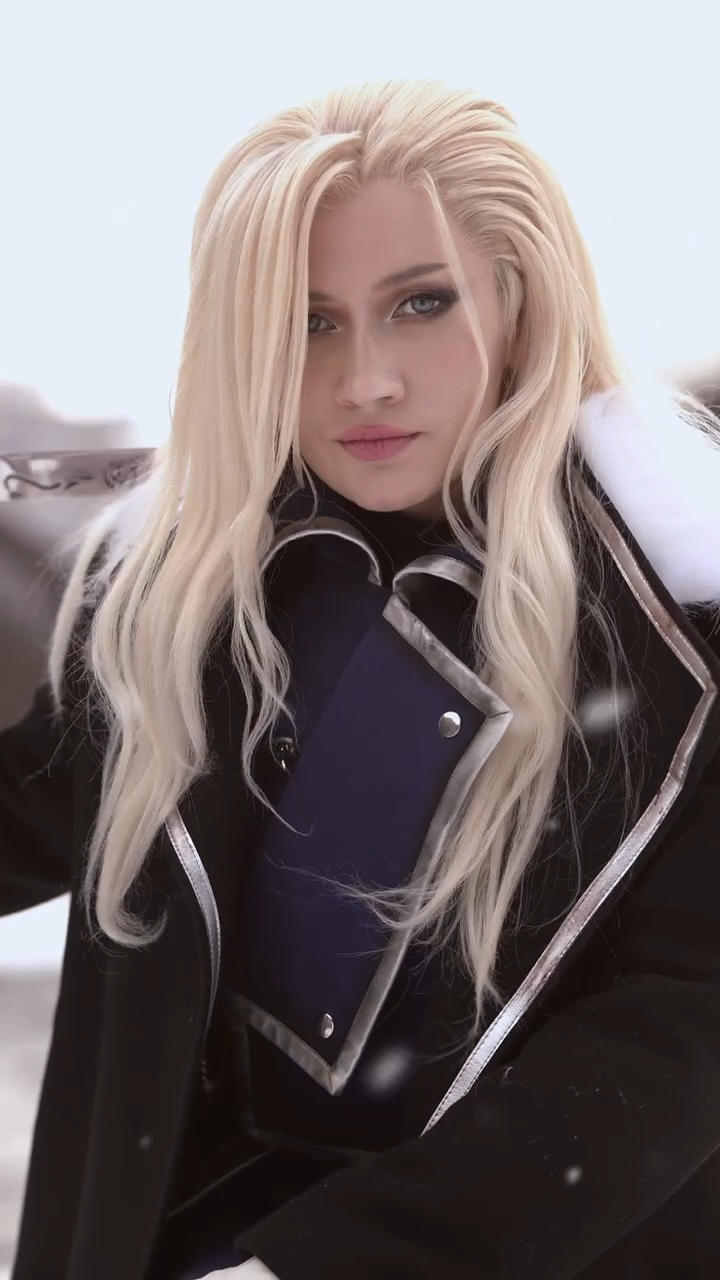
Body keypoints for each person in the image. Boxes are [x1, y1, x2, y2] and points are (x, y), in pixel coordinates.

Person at [2, 76, 720, 1280]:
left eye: (421, 303)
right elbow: (27, 809)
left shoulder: (682, 632)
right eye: (310, 322)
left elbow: (679, 1034)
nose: (366, 380)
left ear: (522, 299)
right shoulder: (183, 606)